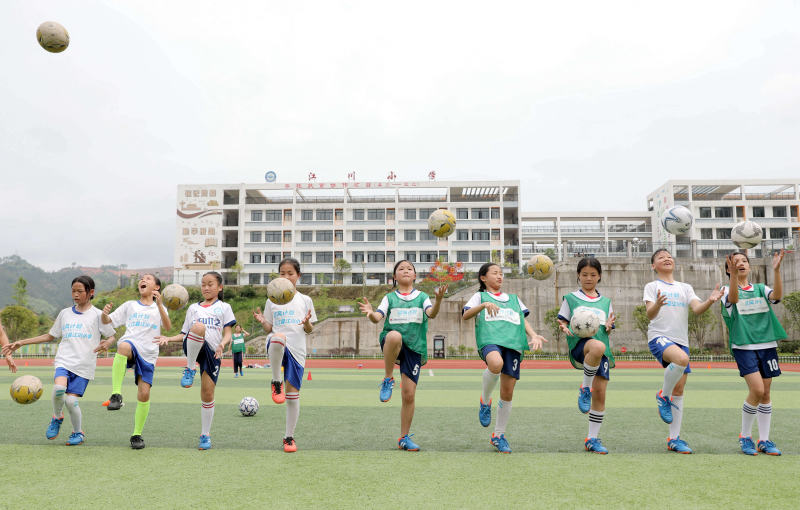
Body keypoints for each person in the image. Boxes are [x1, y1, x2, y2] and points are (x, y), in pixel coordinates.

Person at [2, 276, 115, 445]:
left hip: (84, 366)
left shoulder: (98, 315)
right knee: (59, 387)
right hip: (64, 360)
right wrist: (21, 342)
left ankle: (78, 433)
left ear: (91, 293)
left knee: (71, 401)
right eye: (73, 291)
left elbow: (112, 335)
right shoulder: (65, 313)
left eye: (80, 291)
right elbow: (50, 336)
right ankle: (57, 417)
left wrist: (107, 343)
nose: (75, 294)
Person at [358, 260, 447, 451]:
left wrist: (438, 300)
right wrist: (370, 313)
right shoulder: (389, 298)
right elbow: (377, 318)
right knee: (395, 335)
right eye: (401, 269)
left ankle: (404, 438)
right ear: (394, 277)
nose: (406, 270)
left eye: (410, 269)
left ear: (415, 276)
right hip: (393, 342)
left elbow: (431, 314)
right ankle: (388, 378)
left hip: (415, 347)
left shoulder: (422, 297)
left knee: (408, 395)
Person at [462, 262, 547, 453]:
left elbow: (521, 319)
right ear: (483, 278)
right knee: (495, 363)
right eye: (495, 273)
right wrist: (483, 305)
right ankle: (485, 400)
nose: (499, 276)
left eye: (501, 274)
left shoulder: (514, 299)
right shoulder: (480, 296)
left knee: (507, 393)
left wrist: (533, 335)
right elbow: (465, 315)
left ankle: (498, 435)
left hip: (514, 343)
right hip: (490, 339)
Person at [644, 248, 722, 454]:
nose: (667, 258)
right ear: (654, 266)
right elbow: (650, 315)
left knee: (679, 391)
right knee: (681, 359)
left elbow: (697, 309)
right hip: (659, 336)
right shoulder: (652, 286)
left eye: (669, 256)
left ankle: (674, 438)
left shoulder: (685, 287)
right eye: (661, 257)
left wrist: (710, 300)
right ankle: (663, 395)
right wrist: (658, 305)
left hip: (681, 340)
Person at [155, 271, 235, 450]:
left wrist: (222, 344)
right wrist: (168, 338)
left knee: (207, 395)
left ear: (219, 287)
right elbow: (184, 334)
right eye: (203, 284)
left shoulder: (224, 307)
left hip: (213, 353)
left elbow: (228, 333)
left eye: (210, 284)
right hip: (193, 348)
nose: (206, 287)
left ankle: (205, 435)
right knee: (198, 327)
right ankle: (190, 368)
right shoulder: (193, 308)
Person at [721, 250, 787, 456]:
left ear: (749, 266)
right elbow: (734, 298)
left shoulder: (760, 288)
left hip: (767, 346)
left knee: (766, 394)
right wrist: (733, 277)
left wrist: (776, 270)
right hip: (744, 347)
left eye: (744, 261)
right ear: (728, 269)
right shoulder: (725, 291)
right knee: (757, 390)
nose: (741, 263)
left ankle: (764, 440)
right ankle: (745, 436)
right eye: (735, 262)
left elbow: (776, 296)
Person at [101, 274, 171, 449]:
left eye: (148, 278)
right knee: (123, 346)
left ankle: (136, 435)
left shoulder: (159, 308)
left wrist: (161, 305)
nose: (143, 280)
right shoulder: (130, 305)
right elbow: (109, 321)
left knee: (144, 394)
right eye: (141, 279)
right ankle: (116, 394)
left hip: (149, 353)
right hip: (131, 345)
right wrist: (104, 315)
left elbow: (168, 327)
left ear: (156, 288)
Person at [253, 258, 316, 453]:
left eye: (290, 273)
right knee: (278, 337)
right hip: (277, 344)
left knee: (292, 397)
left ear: (298, 276)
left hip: (297, 349)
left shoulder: (305, 300)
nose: (286, 277)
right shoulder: (271, 299)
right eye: (282, 273)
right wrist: (263, 321)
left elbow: (309, 329)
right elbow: (269, 329)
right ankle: (275, 381)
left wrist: (306, 322)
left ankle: (289, 437)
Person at [557, 257, 616, 454]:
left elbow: (609, 325)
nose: (588, 278)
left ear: (599, 276)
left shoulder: (606, 302)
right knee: (596, 346)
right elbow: (562, 321)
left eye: (592, 274)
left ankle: (592, 439)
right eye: (584, 274)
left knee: (600, 395)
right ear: (578, 276)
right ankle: (584, 388)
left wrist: (608, 326)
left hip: (602, 349)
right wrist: (564, 328)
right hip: (581, 345)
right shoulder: (570, 298)